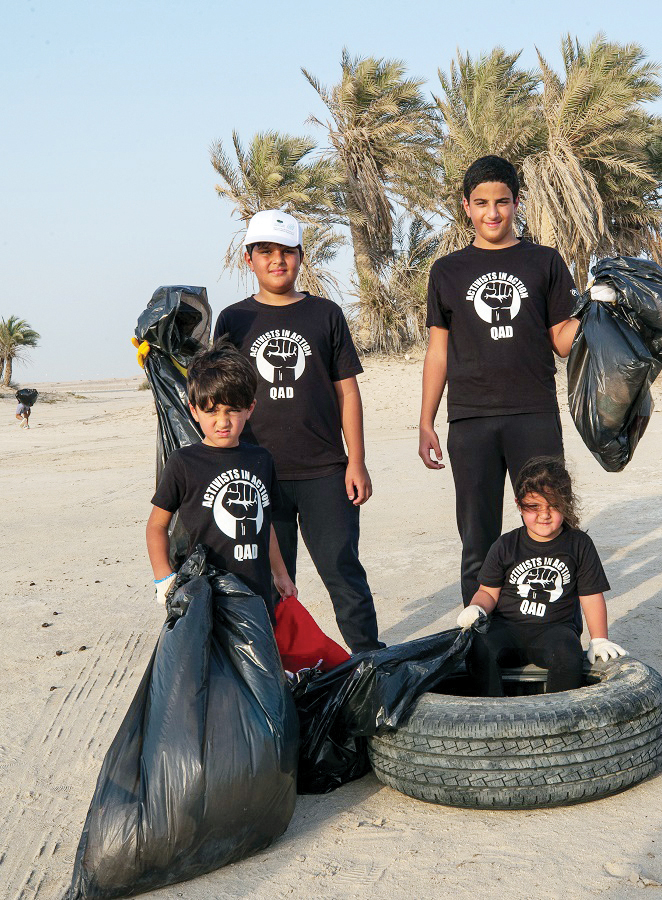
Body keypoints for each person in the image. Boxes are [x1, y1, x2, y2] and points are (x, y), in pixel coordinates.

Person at [213, 210, 383, 652]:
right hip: (256, 475)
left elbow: (348, 392)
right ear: (248, 259)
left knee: (343, 571)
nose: (277, 260)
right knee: (268, 581)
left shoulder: (324, 314)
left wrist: (357, 461)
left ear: (301, 258)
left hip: (325, 470)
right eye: (265, 251)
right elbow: (218, 397)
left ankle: (371, 664)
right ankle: (274, 673)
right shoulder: (232, 322)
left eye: (287, 252)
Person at [419, 155, 582, 606]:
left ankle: (555, 626)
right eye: (482, 202)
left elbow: (563, 342)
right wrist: (426, 420)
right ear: (466, 207)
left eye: (503, 202)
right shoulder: (446, 271)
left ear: (516, 203)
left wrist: (594, 312)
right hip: (471, 421)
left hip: (534, 414)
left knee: (548, 522)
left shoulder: (544, 262)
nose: (493, 213)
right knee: (478, 539)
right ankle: (480, 637)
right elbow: (438, 352)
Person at [145, 341, 296, 613]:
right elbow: (156, 526)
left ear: (250, 408)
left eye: (232, 410)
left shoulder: (261, 460)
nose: (223, 421)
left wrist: (281, 574)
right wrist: (164, 578)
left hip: (256, 592)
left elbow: (265, 524)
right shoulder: (183, 463)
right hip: (204, 594)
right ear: (194, 410)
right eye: (212, 411)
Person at [456, 456, 626, 696]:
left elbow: (591, 596)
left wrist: (599, 639)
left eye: (554, 506)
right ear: (519, 505)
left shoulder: (579, 544)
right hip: (506, 628)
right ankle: (492, 712)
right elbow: (487, 592)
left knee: (568, 656)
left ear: (566, 504)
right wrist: (477, 609)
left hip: (556, 630)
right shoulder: (505, 545)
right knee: (478, 649)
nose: (544, 515)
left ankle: (556, 715)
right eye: (534, 507)